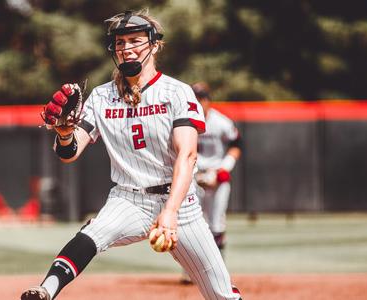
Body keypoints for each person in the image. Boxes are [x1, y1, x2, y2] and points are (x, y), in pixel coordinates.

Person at [20, 9, 241, 300]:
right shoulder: (101, 96)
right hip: (128, 198)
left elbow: (187, 156)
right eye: (120, 43)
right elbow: (70, 152)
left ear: (154, 44)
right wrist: (63, 133)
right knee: (93, 232)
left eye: (134, 40)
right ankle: (45, 290)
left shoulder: (177, 92)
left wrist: (171, 211)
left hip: (180, 204)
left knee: (221, 294)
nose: (126, 49)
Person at [180, 82, 242, 284]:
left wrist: (224, 168)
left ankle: (218, 271)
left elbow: (236, 144)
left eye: (202, 98)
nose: (199, 102)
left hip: (217, 176)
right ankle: (192, 270)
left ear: (208, 101)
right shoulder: (184, 121)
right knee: (192, 224)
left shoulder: (220, 122)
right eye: (195, 98)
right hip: (193, 177)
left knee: (216, 223)